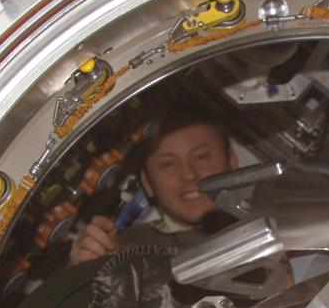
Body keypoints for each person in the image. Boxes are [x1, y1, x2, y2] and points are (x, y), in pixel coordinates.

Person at [68, 109, 238, 264]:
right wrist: (86, 269)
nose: (188, 174)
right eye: (168, 164)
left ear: (232, 161)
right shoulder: (123, 251)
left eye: (201, 157)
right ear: (148, 184)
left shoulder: (264, 207)